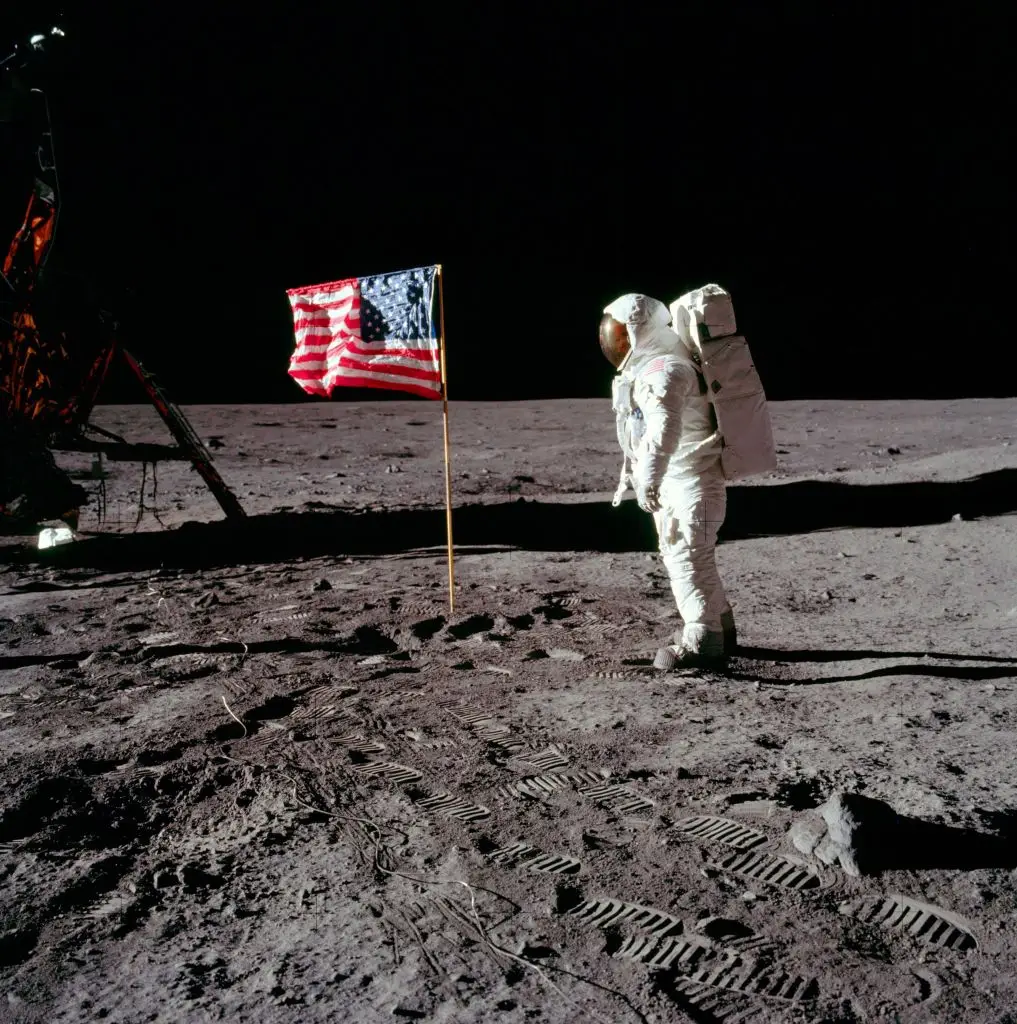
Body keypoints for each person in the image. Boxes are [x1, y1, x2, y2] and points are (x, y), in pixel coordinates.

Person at [600, 293, 736, 669]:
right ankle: (721, 627)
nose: (615, 345)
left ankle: (703, 640)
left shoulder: (663, 372)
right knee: (696, 558)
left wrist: (648, 479)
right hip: (690, 482)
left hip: (691, 485)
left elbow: (663, 430)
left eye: (621, 336)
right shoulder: (666, 365)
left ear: (641, 332)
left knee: (686, 559)